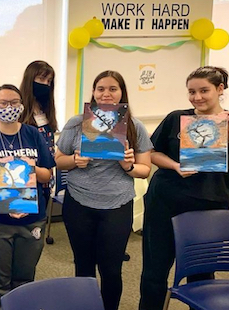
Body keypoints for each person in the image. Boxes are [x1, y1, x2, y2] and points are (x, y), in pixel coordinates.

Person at [139, 66, 229, 310]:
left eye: (203, 91)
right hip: (165, 202)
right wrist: (175, 165)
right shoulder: (177, 117)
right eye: (191, 92)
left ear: (220, 90)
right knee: (155, 271)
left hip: (210, 206)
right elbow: (152, 153)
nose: (197, 97)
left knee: (202, 274)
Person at [55, 70, 152, 310]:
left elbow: (145, 169)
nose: (106, 94)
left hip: (116, 205)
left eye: (112, 89)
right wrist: (75, 160)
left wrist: (128, 165)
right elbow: (58, 159)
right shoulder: (77, 123)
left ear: (122, 93)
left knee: (111, 269)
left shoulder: (134, 126)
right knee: (83, 267)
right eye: (101, 89)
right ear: (94, 93)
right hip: (79, 203)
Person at [0, 84, 54, 310]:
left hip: (32, 218)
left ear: (21, 105)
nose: (9, 107)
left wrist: (30, 167)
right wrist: (4, 201)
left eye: (14, 102)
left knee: (24, 280)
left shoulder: (33, 134)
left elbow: (47, 174)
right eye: (3, 103)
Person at [18, 60, 58, 155]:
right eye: (41, 79)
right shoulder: (16, 110)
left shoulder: (45, 109)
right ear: (30, 80)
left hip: (47, 166)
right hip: (26, 166)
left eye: (49, 81)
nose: (45, 84)